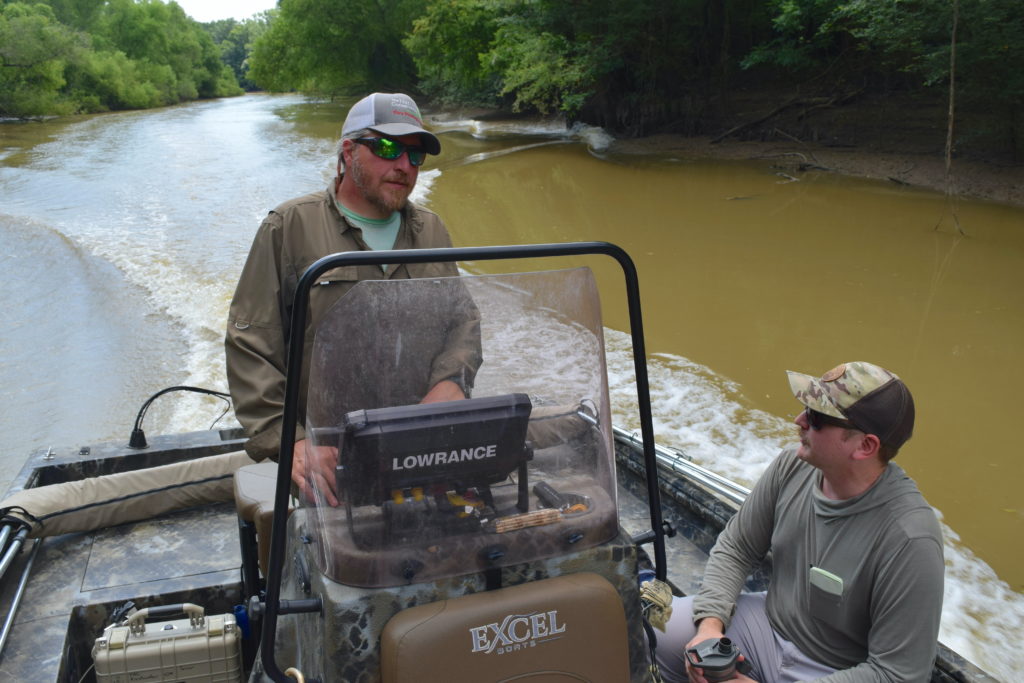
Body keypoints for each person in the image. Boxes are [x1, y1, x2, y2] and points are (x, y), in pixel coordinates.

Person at [225, 92, 481, 504]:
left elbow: (463, 321)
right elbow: (251, 344)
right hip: (327, 457)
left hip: (417, 448)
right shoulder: (289, 227)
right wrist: (289, 443)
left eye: (414, 156)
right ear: (348, 151)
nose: (402, 166)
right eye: (386, 148)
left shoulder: (432, 232)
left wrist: (452, 380)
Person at [655, 361, 944, 682]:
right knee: (658, 628)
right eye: (807, 408)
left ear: (865, 446)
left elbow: (899, 673)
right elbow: (737, 547)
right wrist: (710, 627)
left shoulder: (910, 539)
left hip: (838, 670)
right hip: (769, 625)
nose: (800, 420)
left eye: (817, 418)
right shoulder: (790, 467)